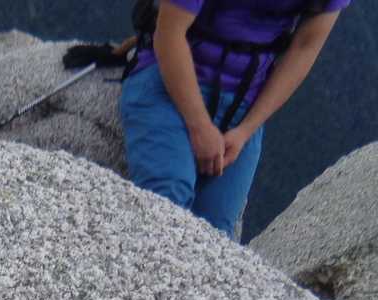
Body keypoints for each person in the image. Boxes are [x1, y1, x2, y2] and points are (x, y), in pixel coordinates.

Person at [115, 0, 349, 238]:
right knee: (168, 197)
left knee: (216, 234)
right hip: (166, 83)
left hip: (243, 106)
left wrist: (246, 130)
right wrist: (199, 126)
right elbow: (169, 33)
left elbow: (305, 48)